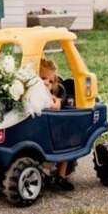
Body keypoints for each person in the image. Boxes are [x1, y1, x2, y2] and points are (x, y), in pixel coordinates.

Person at [39, 58, 75, 191]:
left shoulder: (54, 94)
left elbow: (57, 105)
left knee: (66, 143)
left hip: (53, 128)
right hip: (40, 128)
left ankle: (61, 176)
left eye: (50, 81)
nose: (46, 82)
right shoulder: (32, 92)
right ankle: (43, 173)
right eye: (43, 78)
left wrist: (58, 101)